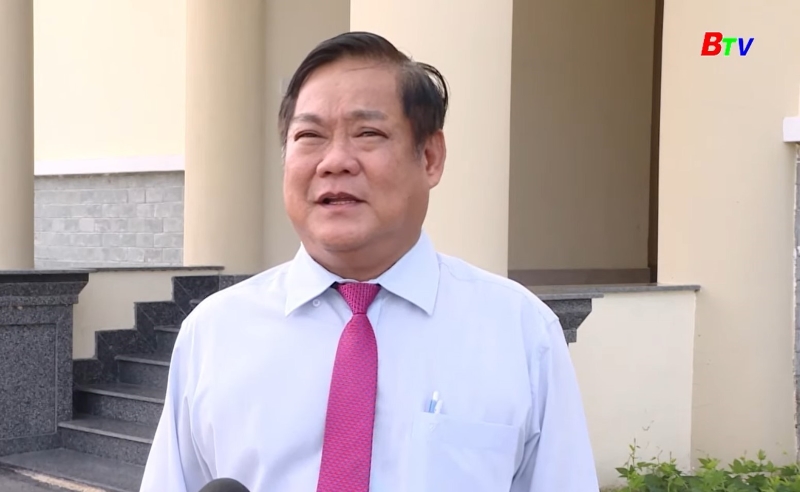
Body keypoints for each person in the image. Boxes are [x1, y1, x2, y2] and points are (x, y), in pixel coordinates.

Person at [140, 31, 598, 492]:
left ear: (430, 157)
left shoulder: (519, 332)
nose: (335, 161)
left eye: (368, 134)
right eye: (309, 136)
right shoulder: (214, 334)